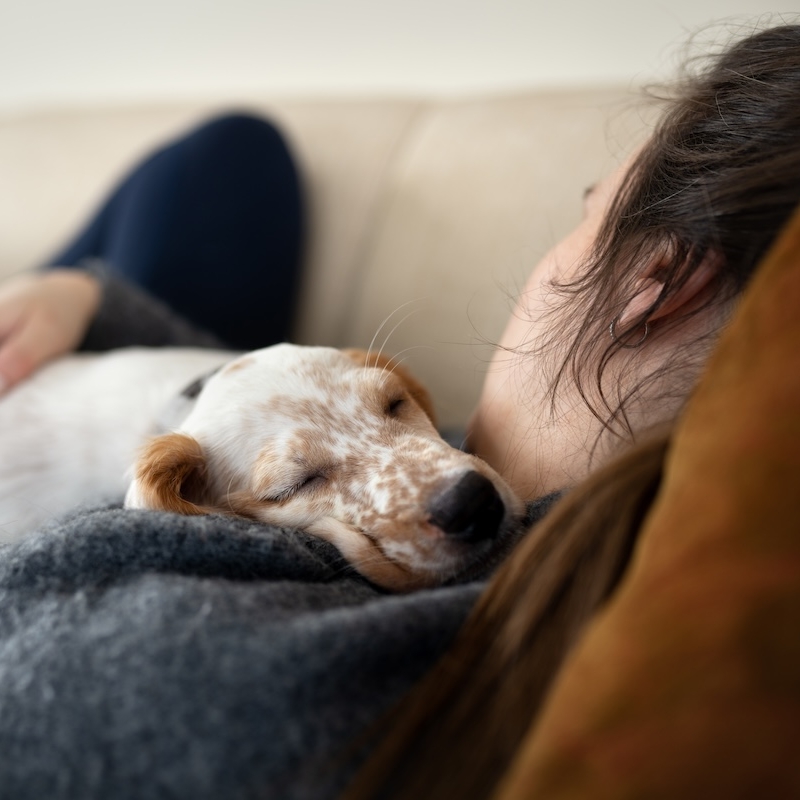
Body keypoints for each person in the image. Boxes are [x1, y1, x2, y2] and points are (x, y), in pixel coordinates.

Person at [0, 21, 798, 800]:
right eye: (392, 402)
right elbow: (273, 412)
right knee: (235, 155)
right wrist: (81, 300)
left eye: (586, 218)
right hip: (146, 385)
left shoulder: (212, 672)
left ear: (658, 281)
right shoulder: (632, 520)